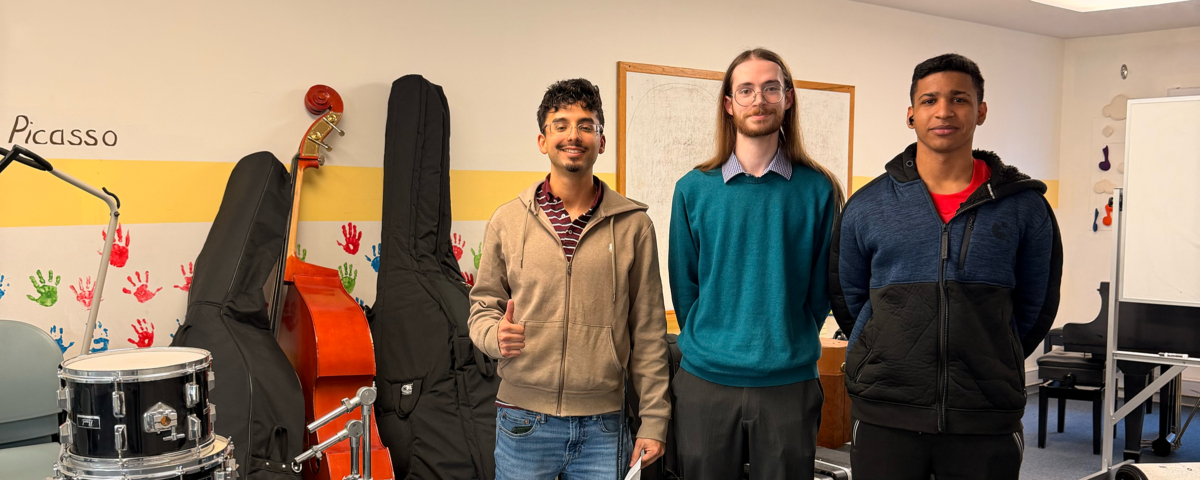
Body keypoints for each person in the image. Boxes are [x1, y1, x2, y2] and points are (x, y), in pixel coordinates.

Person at [829, 53, 1062, 480]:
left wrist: (995, 354)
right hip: (886, 410)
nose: (943, 111)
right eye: (929, 100)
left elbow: (1037, 303)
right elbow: (849, 297)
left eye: (959, 99)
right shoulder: (868, 206)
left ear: (981, 111)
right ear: (910, 114)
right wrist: (881, 347)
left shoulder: (1025, 208)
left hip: (985, 413)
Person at [468, 78, 671, 479]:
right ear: (543, 140)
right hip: (523, 423)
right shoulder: (507, 220)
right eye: (560, 125)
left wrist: (654, 420)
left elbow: (648, 330)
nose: (572, 135)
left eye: (586, 124)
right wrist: (494, 336)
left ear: (601, 140)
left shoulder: (634, 226)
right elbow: (482, 306)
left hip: (604, 426)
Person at [667, 48, 845, 479]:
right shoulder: (693, 188)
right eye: (745, 90)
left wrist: (785, 333)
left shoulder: (819, 190)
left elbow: (823, 288)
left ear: (787, 99)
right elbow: (685, 286)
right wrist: (718, 335)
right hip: (705, 382)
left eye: (770, 88)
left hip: (788, 381)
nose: (758, 99)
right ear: (729, 104)